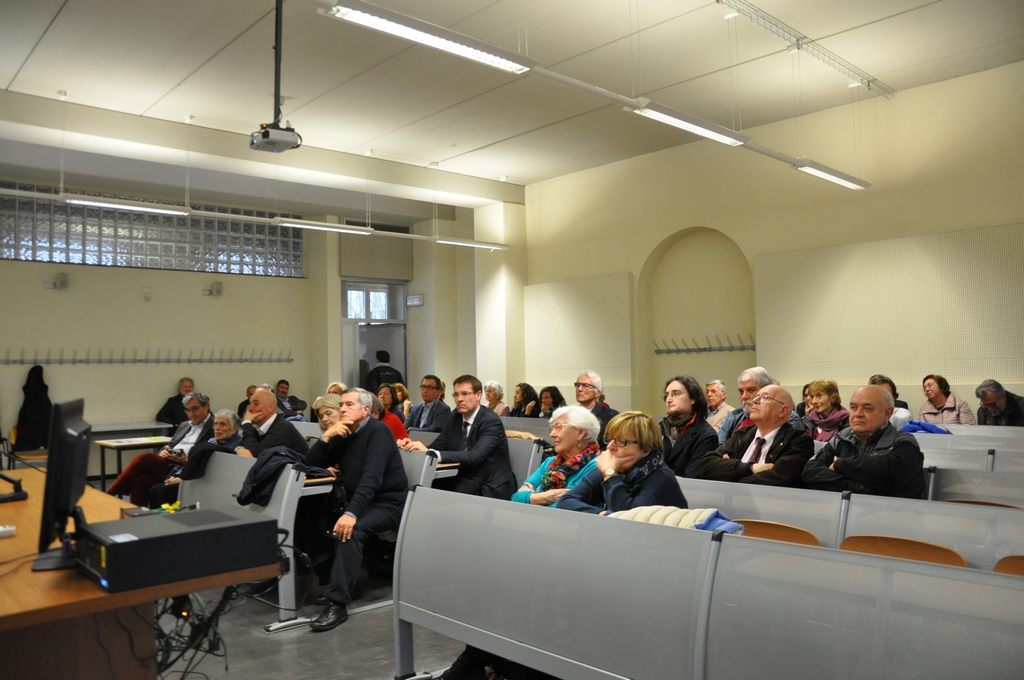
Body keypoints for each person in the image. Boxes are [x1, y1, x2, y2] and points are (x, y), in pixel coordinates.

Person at [305, 388, 408, 632]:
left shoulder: (378, 432)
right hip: (362, 501)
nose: (342, 409)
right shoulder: (344, 433)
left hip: (389, 503)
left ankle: (337, 603)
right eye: (341, 404)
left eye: (349, 405)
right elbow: (309, 465)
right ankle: (341, 582)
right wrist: (326, 437)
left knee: (351, 530)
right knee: (311, 516)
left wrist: (350, 514)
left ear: (365, 410)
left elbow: (371, 479)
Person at [398, 375, 516, 499]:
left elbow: (474, 456)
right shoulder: (455, 418)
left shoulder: (491, 421)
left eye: (465, 394)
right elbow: (437, 447)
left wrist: (429, 453)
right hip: (462, 477)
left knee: (433, 497)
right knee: (416, 490)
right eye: (456, 395)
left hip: (489, 484)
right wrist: (413, 447)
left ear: (478, 395)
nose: (459, 399)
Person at [803, 385, 925, 498]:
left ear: (887, 413)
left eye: (867, 409)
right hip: (844, 511)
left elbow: (895, 474)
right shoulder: (841, 438)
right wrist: (854, 486)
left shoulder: (903, 440)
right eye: (853, 408)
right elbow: (810, 471)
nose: (857, 414)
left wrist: (840, 464)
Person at [557, 411, 687, 514]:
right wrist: (602, 515)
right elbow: (566, 501)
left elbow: (627, 520)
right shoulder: (615, 466)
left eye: (621, 441)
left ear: (645, 449)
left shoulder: (661, 478)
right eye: (610, 439)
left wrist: (610, 474)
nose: (610, 447)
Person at [109, 392, 213, 506]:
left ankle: (110, 493)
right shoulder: (185, 425)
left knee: (144, 459)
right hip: (168, 462)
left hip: (184, 466)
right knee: (141, 479)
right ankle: (137, 516)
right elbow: (170, 444)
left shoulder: (214, 426)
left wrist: (186, 460)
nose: (191, 414)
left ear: (206, 407)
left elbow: (208, 455)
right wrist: (164, 451)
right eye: (188, 410)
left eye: (194, 409)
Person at [698, 385, 813, 487]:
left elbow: (779, 478)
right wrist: (751, 468)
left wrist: (728, 472)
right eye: (756, 397)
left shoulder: (799, 441)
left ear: (783, 411)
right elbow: (705, 465)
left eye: (765, 398)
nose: (755, 400)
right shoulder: (741, 434)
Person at [149, 409, 243, 508]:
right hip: (192, 477)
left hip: (208, 483)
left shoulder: (237, 447)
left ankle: (167, 522)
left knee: (165, 491)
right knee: (154, 490)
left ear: (234, 429)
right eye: (215, 424)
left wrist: (182, 479)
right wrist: (177, 476)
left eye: (222, 424)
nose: (217, 428)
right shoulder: (211, 441)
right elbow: (193, 463)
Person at [511, 406, 601, 506]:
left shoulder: (596, 467)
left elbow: (567, 508)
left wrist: (532, 496)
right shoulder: (550, 462)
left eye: (559, 427)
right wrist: (548, 496)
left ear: (580, 433)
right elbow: (516, 498)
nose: (552, 434)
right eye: (552, 429)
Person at [717, 367, 804, 445]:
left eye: (751, 390)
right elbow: (719, 449)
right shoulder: (734, 416)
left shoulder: (786, 416)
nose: (744, 396)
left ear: (767, 390)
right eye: (741, 391)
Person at [661, 375, 719, 478]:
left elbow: (691, 480)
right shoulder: (659, 428)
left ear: (692, 399)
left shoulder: (706, 436)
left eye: (676, 394)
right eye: (667, 395)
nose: (669, 400)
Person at [237, 386, 309, 457]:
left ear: (270, 407)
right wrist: (239, 448)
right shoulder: (259, 426)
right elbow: (241, 442)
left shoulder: (281, 428)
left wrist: (246, 422)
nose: (250, 409)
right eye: (250, 404)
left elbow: (258, 455)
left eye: (256, 404)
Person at [575, 371, 618, 441]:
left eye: (586, 386)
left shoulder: (610, 416)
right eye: (577, 385)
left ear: (597, 393)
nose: (579, 389)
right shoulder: (568, 415)